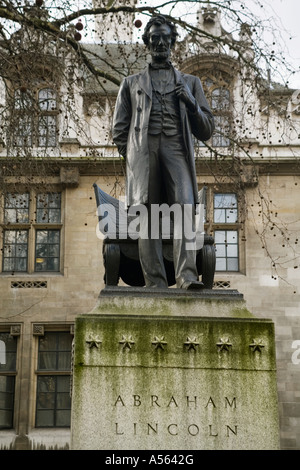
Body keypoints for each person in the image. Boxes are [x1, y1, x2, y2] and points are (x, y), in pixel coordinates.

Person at [112, 15, 214, 289]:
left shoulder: (191, 83)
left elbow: (206, 130)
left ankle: (187, 277)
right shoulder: (130, 83)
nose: (159, 43)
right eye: (154, 38)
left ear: (172, 42)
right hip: (143, 154)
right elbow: (119, 131)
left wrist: (191, 104)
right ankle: (155, 282)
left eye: (164, 38)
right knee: (147, 215)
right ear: (147, 42)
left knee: (184, 209)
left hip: (176, 149)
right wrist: (134, 158)